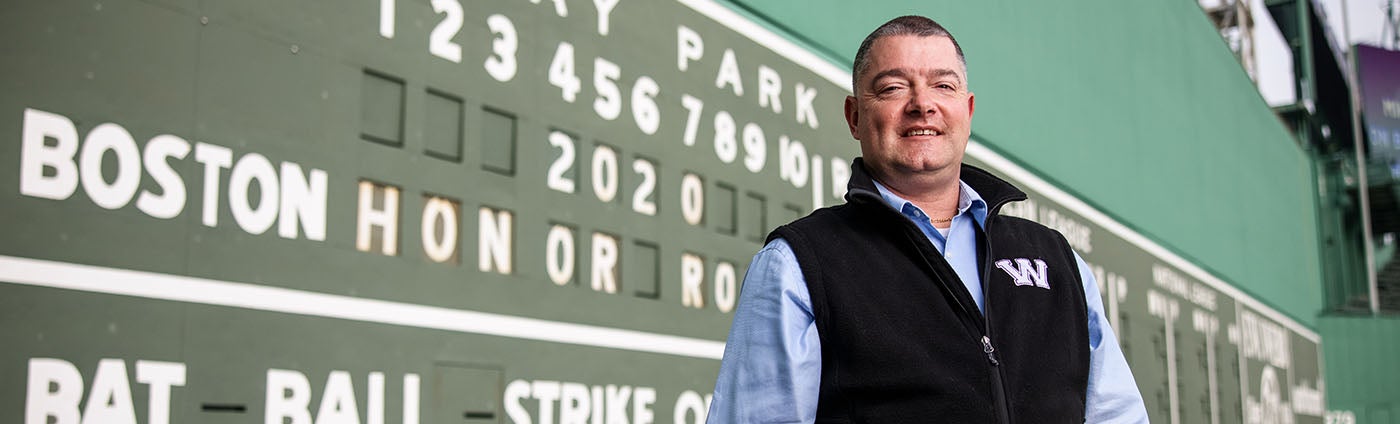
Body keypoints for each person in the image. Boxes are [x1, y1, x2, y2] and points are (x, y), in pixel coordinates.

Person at [706, 15, 1148, 423]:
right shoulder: (799, 264)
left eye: (943, 85)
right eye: (893, 88)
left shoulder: (1058, 260)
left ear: (967, 112)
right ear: (855, 117)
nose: (923, 104)